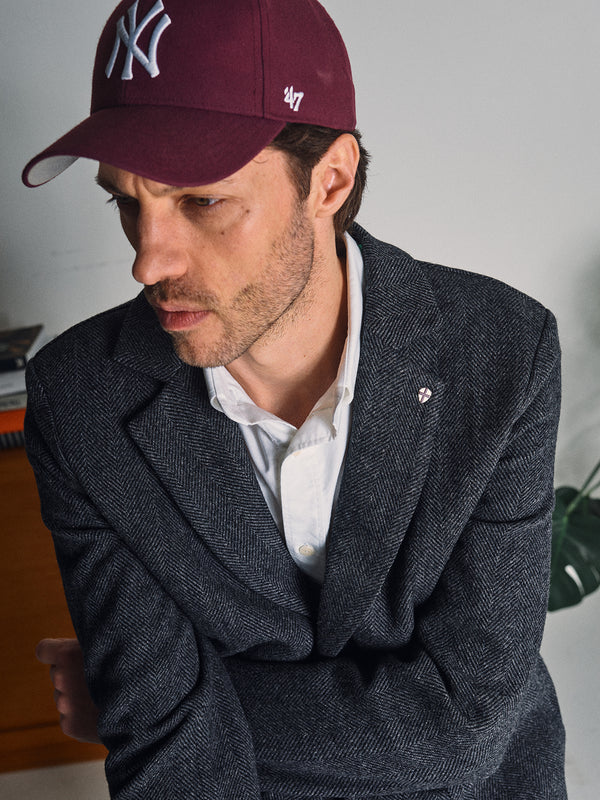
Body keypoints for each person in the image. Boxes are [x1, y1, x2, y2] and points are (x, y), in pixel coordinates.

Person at [22, 1, 567, 798]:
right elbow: (171, 762)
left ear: (330, 178)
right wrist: (156, 714)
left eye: (201, 201)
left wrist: (155, 701)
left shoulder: (502, 352)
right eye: (126, 202)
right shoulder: (80, 399)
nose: (147, 260)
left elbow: (465, 725)